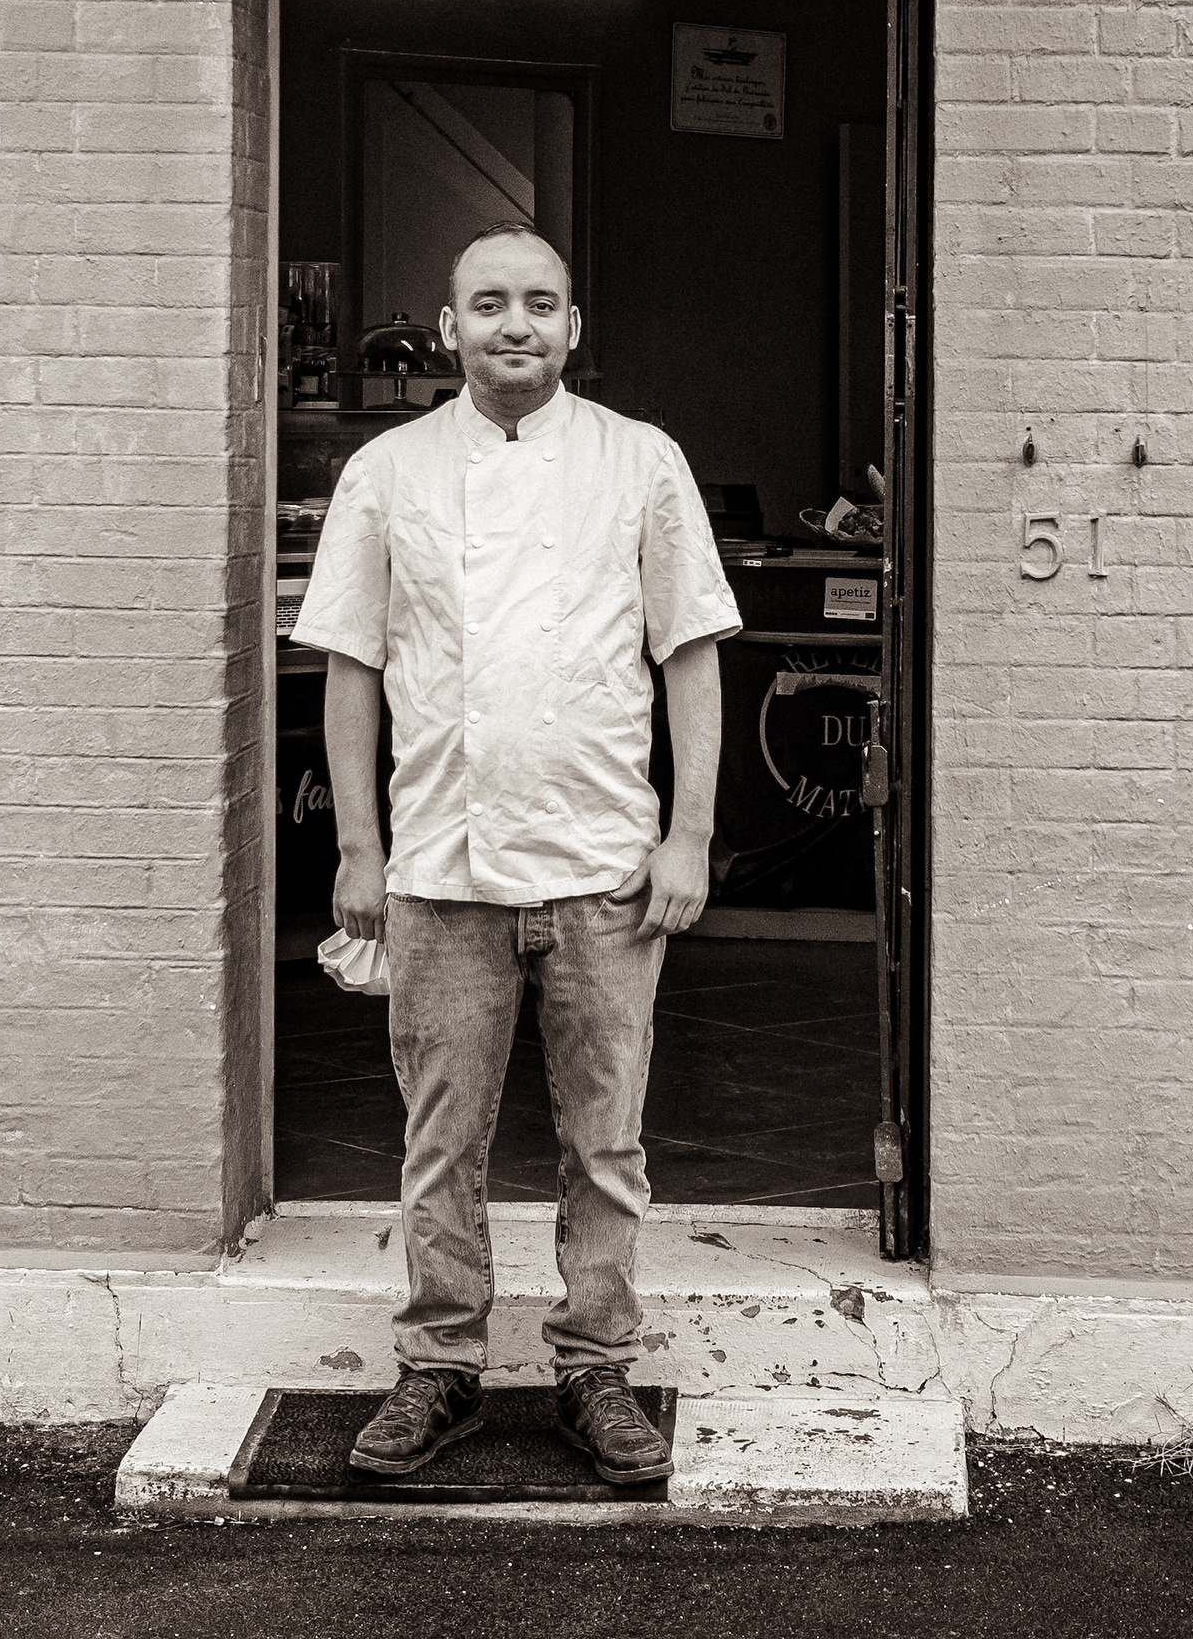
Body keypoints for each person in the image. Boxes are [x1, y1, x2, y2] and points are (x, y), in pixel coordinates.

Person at [287, 224, 737, 1485]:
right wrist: (359, 847)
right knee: (443, 1143)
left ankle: (597, 1367)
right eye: (489, 304)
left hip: (604, 861)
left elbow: (689, 649)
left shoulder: (641, 463)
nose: (515, 325)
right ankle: (441, 1366)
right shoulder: (389, 470)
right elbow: (352, 663)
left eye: (540, 303)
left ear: (574, 326)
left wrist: (688, 832)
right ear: (449, 329)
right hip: (438, 865)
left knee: (607, 1143)